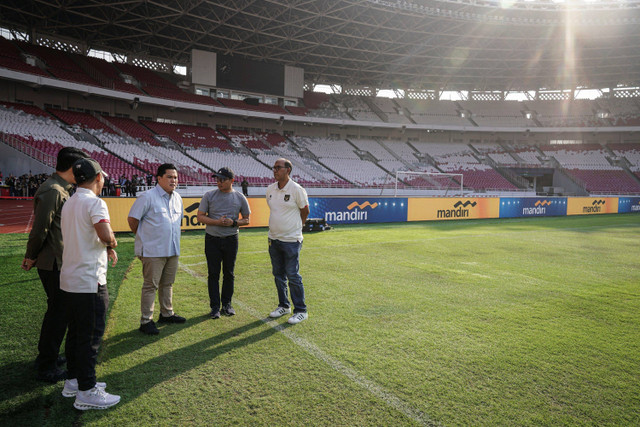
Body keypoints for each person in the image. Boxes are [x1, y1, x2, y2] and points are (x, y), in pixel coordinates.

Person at [22, 146, 89, 382]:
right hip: (53, 263)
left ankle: (47, 356)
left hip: (60, 261)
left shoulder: (62, 188)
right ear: (73, 168)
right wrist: (30, 256)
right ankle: (46, 365)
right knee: (58, 314)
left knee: (59, 312)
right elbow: (40, 230)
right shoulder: (53, 190)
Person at [59, 158, 120, 410]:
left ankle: (74, 381)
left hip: (70, 279)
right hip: (89, 280)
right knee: (90, 337)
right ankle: (86, 389)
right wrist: (112, 243)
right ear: (97, 178)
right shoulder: (95, 202)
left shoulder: (70, 202)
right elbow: (105, 235)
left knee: (75, 334)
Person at [128, 164, 185, 335]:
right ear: (159, 178)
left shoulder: (178, 198)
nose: (173, 180)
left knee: (167, 284)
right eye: (169, 177)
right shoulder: (147, 197)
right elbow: (132, 220)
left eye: (175, 177)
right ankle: (146, 320)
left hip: (172, 249)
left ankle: (167, 313)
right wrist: (145, 238)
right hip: (153, 251)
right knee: (150, 286)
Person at [196, 167, 251, 319]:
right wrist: (217, 222)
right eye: (217, 179)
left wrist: (233, 222)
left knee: (229, 273)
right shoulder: (209, 195)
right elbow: (200, 216)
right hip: (212, 239)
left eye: (222, 179)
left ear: (232, 181)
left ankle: (227, 304)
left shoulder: (240, 197)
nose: (218, 182)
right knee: (213, 274)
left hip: (231, 239)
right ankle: (214, 307)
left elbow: (247, 219)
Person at [266, 158, 310, 325]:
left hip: (291, 240)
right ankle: (284, 305)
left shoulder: (297, 189)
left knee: (293, 275)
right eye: (274, 167)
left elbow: (305, 210)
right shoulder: (270, 189)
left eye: (278, 167)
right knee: (278, 275)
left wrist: (298, 226)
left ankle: (301, 310)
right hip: (273, 239)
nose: (275, 170)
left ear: (288, 170)